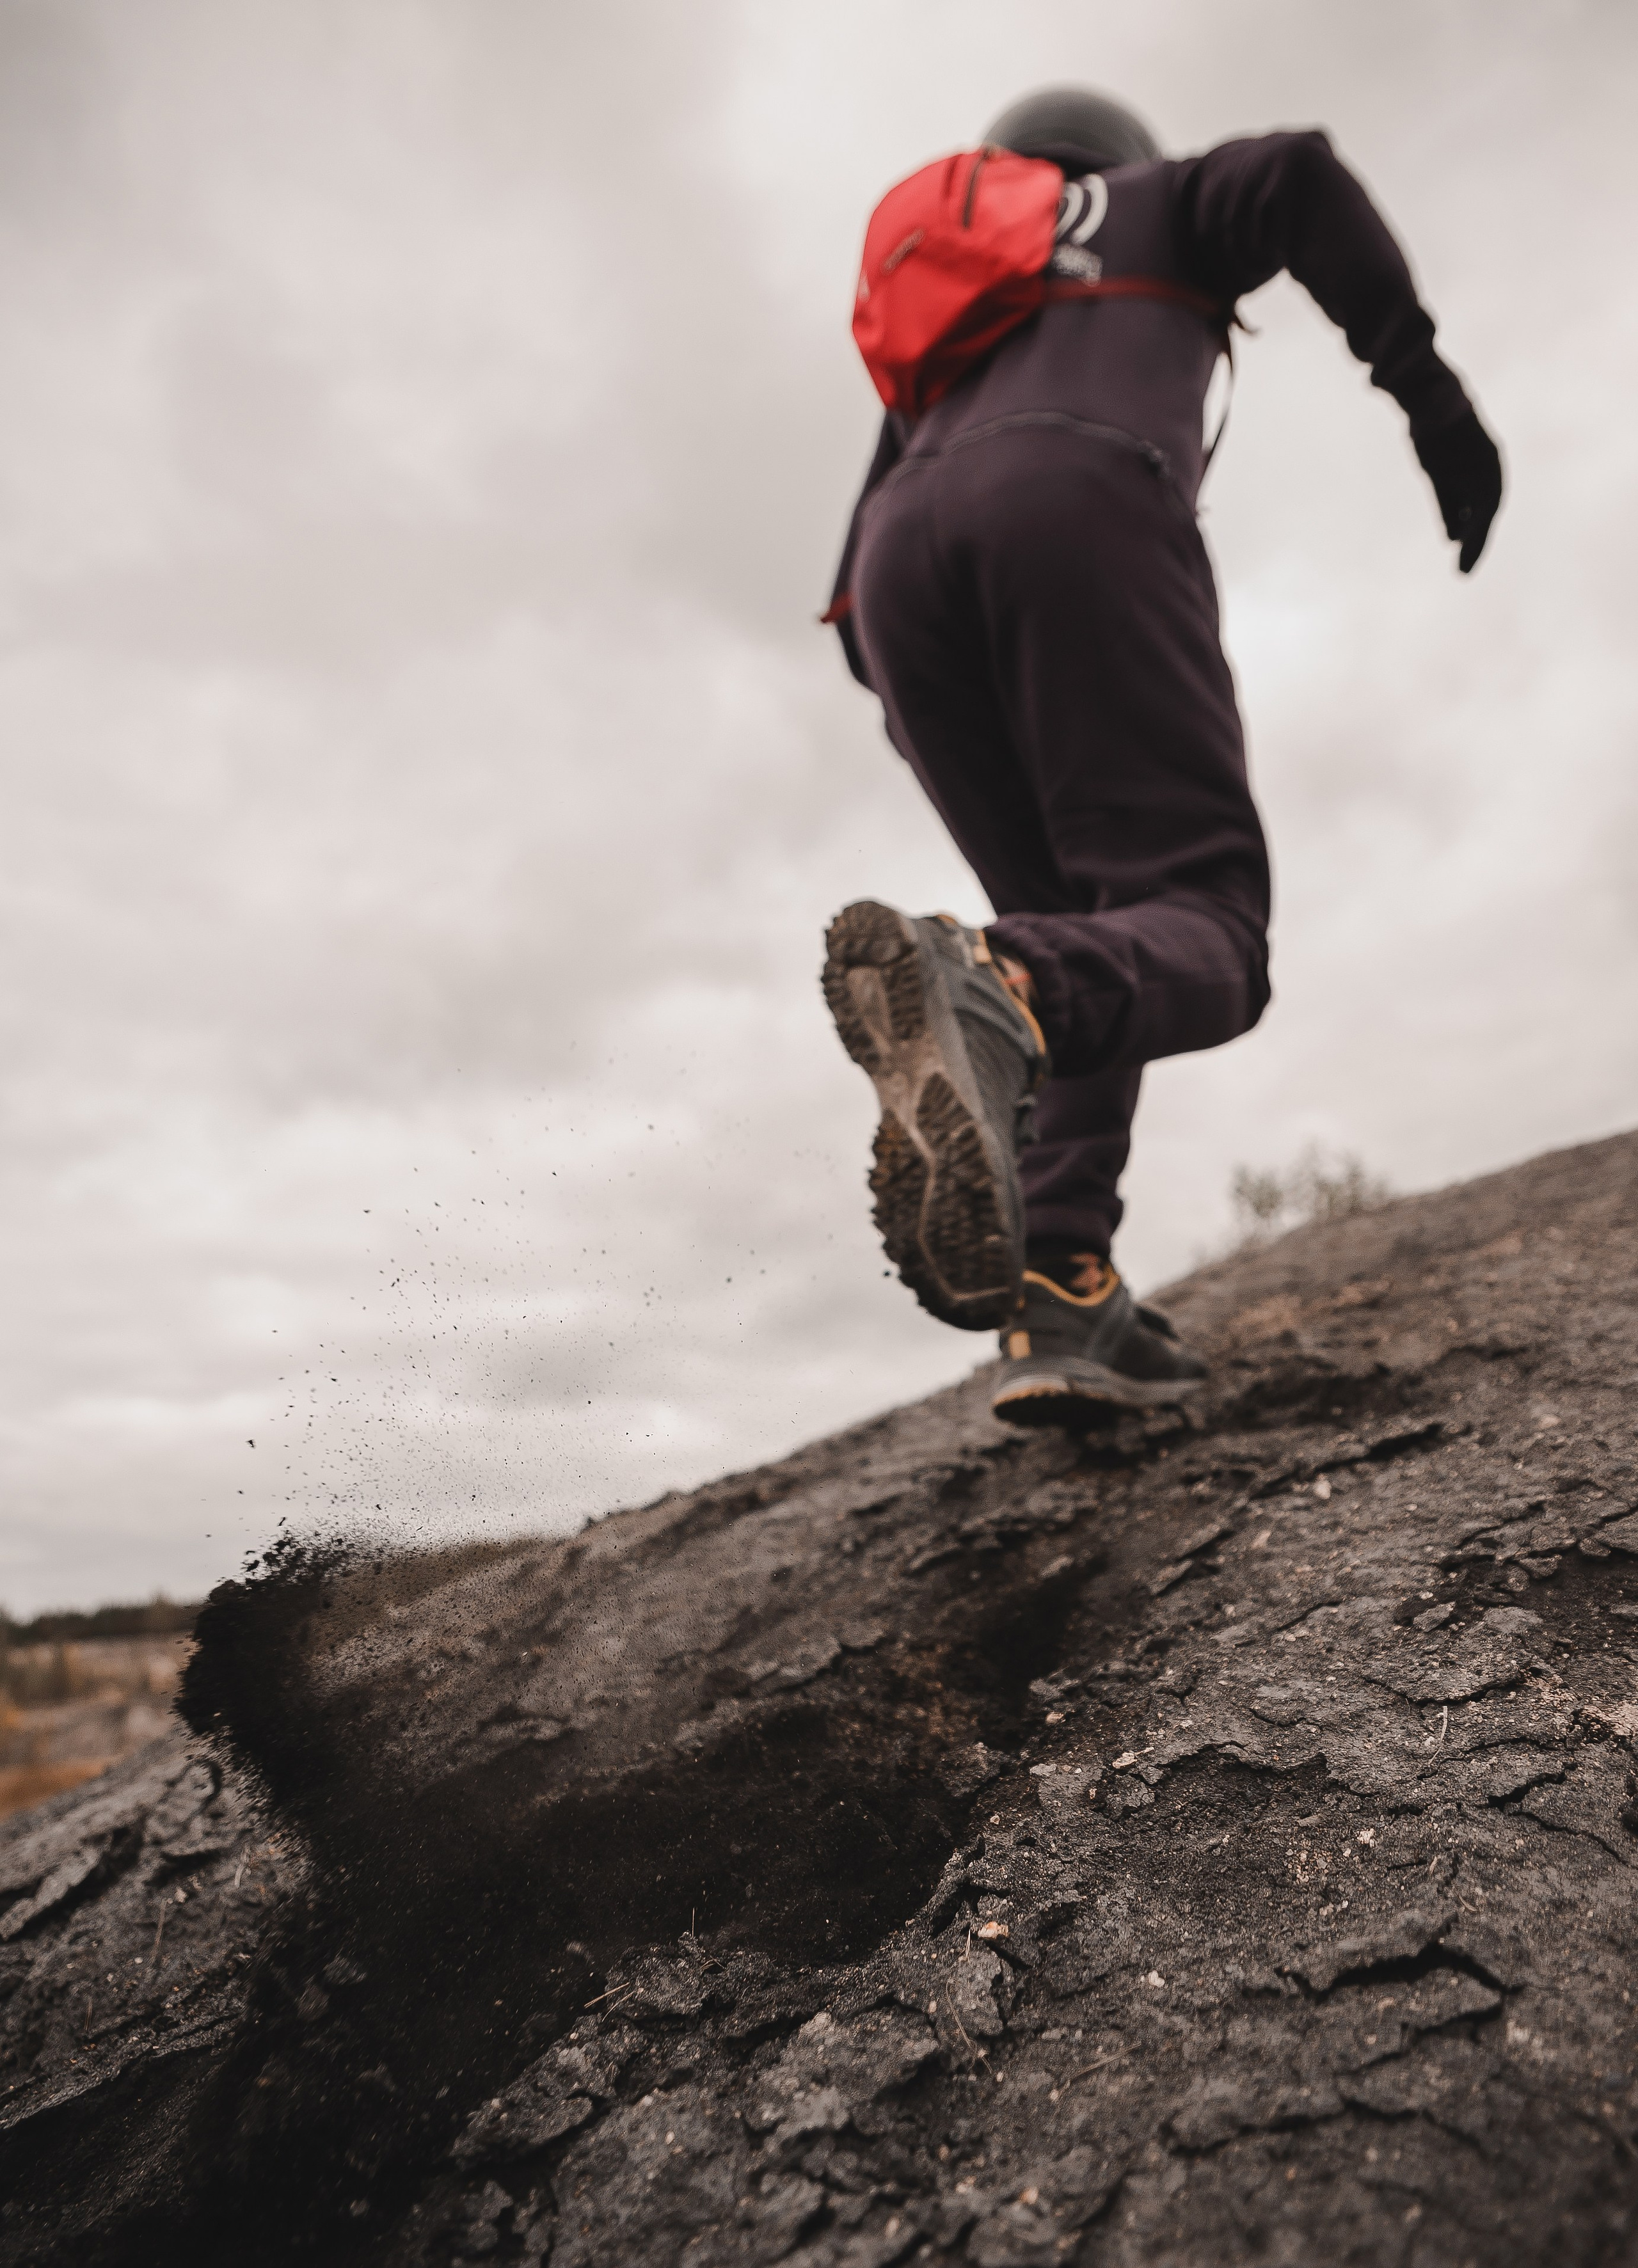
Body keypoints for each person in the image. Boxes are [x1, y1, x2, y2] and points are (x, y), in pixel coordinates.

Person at [820, 85, 1502, 1431]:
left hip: (900, 587)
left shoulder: (949, 308)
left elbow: (851, 604)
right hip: (1075, 503)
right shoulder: (1151, 201)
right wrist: (1427, 397)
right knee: (1200, 933)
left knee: (1093, 932)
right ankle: (996, 989)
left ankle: (1060, 1282)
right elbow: (1298, 173)